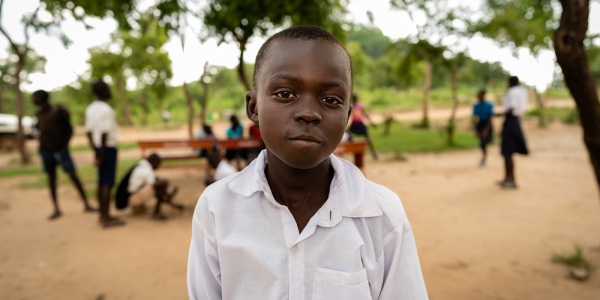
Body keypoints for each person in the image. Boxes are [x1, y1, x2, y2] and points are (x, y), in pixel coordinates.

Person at [187, 25, 427, 299]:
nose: (309, 113)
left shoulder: (382, 215)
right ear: (253, 108)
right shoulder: (217, 208)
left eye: (330, 99)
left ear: (347, 116)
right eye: (285, 94)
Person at [32, 90, 97, 220]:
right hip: (46, 151)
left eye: (35, 97)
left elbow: (69, 129)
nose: (33, 100)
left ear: (43, 98)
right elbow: (40, 130)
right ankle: (56, 208)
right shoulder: (39, 114)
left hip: (60, 150)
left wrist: (63, 145)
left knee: (73, 175)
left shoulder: (58, 111)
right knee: (51, 178)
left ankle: (86, 203)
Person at [85, 79, 125, 228]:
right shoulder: (106, 109)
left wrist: (95, 152)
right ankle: (106, 218)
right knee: (107, 183)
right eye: (108, 88)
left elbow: (88, 132)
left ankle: (102, 215)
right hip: (107, 148)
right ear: (103, 91)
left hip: (98, 148)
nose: (110, 91)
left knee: (101, 182)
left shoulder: (90, 108)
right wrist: (101, 154)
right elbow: (103, 133)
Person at [116, 153, 183, 220]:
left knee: (158, 182)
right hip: (133, 199)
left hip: (131, 196)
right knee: (161, 184)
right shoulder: (146, 170)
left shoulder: (142, 164)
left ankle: (143, 208)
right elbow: (157, 187)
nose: (158, 167)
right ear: (154, 162)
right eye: (158, 164)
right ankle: (156, 212)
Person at [496, 76, 529, 189]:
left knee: (507, 152)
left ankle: (510, 179)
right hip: (515, 121)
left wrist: (500, 114)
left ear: (511, 82)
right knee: (508, 152)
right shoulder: (523, 91)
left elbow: (512, 107)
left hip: (510, 121)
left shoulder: (512, 91)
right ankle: (508, 178)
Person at [348, 93, 378, 160]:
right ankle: (355, 153)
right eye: (353, 98)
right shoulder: (351, 106)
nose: (354, 99)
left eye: (355, 98)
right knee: (348, 135)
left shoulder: (359, 105)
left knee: (368, 139)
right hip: (354, 124)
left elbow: (365, 114)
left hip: (360, 124)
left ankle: (374, 154)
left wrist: (372, 123)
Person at [472, 89, 494, 168]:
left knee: (484, 143)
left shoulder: (489, 105)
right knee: (482, 144)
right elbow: (475, 117)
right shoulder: (476, 105)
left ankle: (484, 159)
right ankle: (484, 158)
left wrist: (486, 129)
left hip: (486, 124)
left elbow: (490, 117)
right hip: (480, 124)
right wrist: (475, 128)